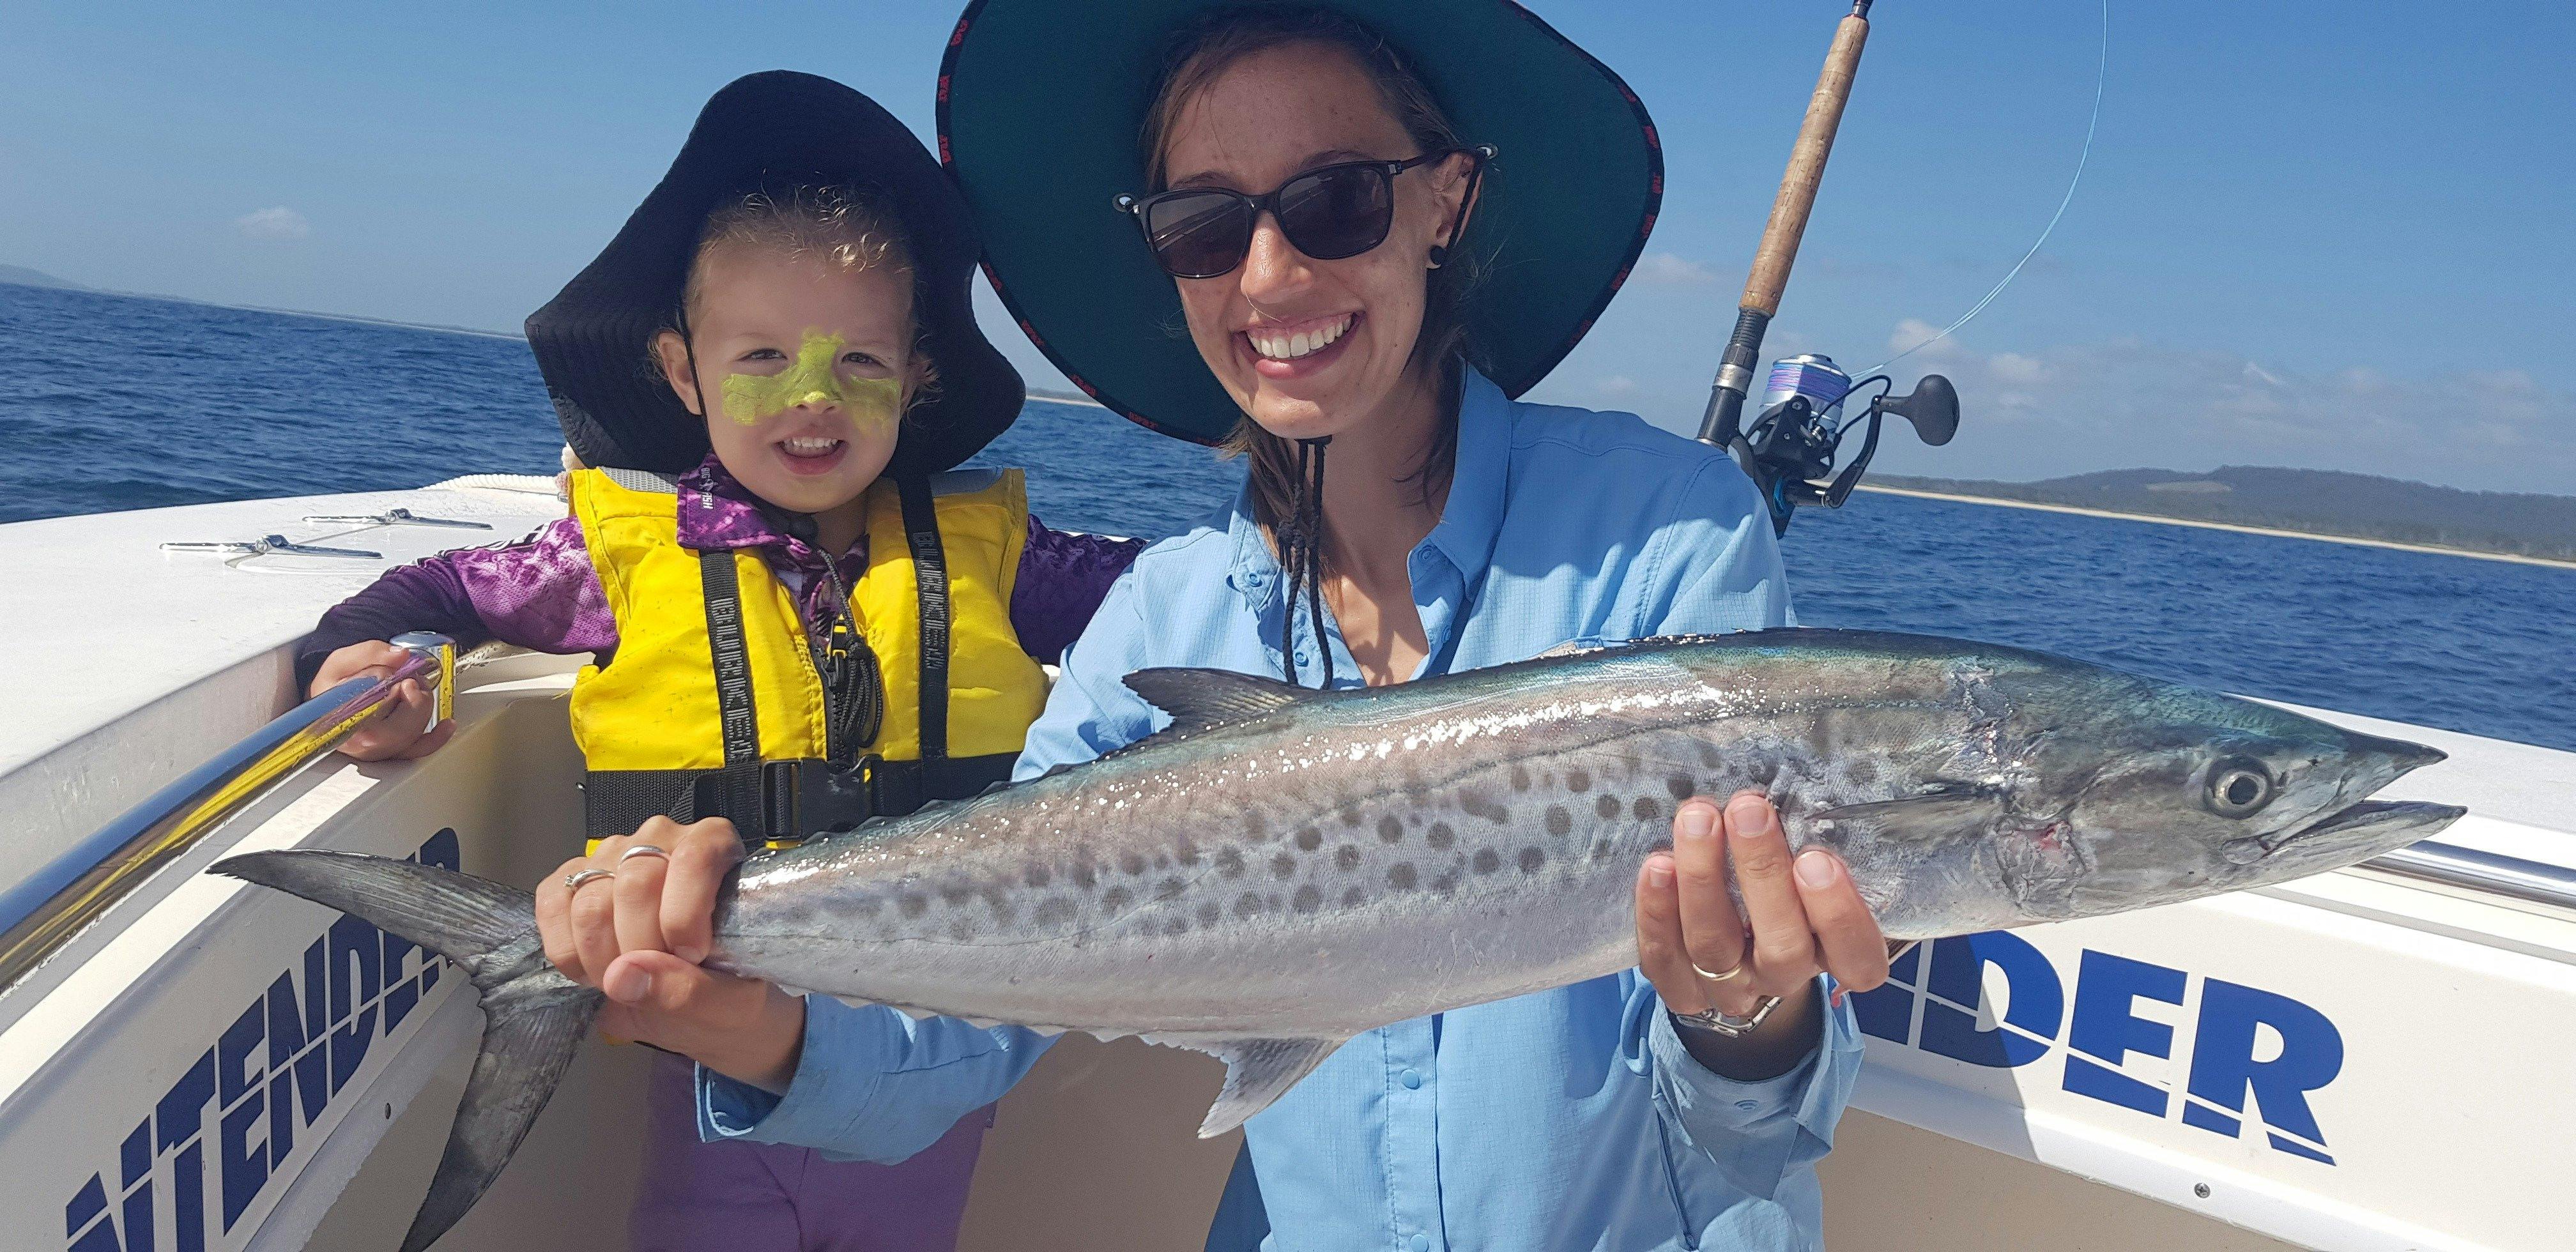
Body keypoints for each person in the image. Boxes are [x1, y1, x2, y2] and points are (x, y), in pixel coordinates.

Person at [549, 5, 1894, 1249]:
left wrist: (1751, 1013)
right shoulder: (1165, 614)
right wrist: (745, 1012)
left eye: (1335, 199)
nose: (1269, 271)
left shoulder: (1665, 535)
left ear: (1445, 199)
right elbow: (960, 1035)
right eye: (1203, 223)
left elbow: (1754, 1125)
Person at [295, 72, 1141, 1252]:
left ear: (918, 377)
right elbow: (438, 590)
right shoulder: (617, 560)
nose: (813, 397)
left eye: (860, 362)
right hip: (708, 1043)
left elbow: (1172, 602)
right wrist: (368, 665)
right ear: (684, 371)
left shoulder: (997, 558)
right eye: (763, 356)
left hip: (931, 1056)